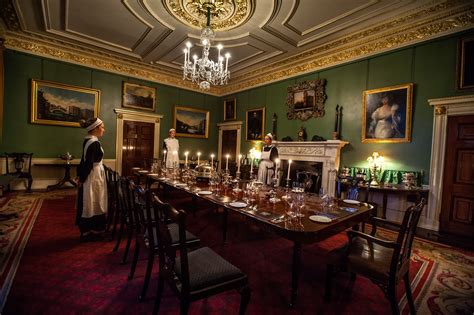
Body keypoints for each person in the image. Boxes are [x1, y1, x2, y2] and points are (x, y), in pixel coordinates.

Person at [76, 117, 107, 241]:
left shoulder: (89, 140)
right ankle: (93, 230)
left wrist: (80, 175)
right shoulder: (93, 143)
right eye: (102, 127)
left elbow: (83, 160)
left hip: (94, 173)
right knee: (94, 201)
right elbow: (88, 163)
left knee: (92, 200)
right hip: (93, 176)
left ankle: (89, 229)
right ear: (95, 128)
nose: (104, 130)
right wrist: (82, 178)